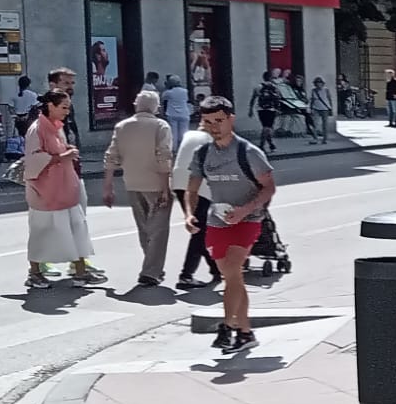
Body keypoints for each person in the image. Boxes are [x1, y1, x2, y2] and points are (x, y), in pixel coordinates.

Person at [182, 97, 275, 353]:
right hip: (216, 221)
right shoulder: (203, 154)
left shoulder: (249, 152)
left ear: (231, 119)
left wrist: (245, 209)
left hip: (248, 221)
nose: (214, 127)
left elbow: (269, 188)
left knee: (232, 271)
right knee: (233, 278)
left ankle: (227, 327)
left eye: (219, 121)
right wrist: (189, 214)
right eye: (208, 121)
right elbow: (191, 188)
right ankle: (246, 333)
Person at [22, 90, 106, 289]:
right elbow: (33, 160)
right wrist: (62, 156)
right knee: (42, 233)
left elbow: (58, 150)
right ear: (50, 105)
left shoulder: (55, 127)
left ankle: (80, 272)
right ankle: (34, 273)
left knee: (76, 229)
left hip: (65, 189)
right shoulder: (37, 129)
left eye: (68, 107)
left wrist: (66, 150)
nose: (67, 112)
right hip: (45, 193)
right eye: (64, 107)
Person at [101, 89, 176, 287]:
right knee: (158, 231)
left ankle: (151, 266)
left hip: (132, 182)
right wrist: (165, 188)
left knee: (144, 228)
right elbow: (164, 157)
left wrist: (108, 186)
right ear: (157, 107)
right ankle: (151, 271)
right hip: (155, 183)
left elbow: (111, 156)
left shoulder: (122, 126)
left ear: (136, 105)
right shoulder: (161, 126)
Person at [172, 104, 219, 289]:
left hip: (179, 182)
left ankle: (215, 268)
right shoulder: (210, 140)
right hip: (198, 185)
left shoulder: (189, 135)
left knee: (200, 228)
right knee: (199, 230)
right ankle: (186, 275)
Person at [47, 67, 80, 149]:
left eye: (72, 83)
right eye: (66, 83)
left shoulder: (69, 105)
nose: (70, 87)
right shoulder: (45, 107)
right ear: (52, 86)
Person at [252, 71, 281, 153]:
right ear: (271, 78)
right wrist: (278, 109)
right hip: (271, 109)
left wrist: (251, 109)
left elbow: (253, 98)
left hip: (261, 109)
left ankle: (271, 144)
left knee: (266, 127)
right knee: (267, 128)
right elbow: (278, 99)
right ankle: (261, 145)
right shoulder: (274, 87)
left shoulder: (258, 87)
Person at [160, 73, 190, 146]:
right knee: (184, 132)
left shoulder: (168, 92)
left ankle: (174, 149)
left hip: (172, 114)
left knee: (173, 133)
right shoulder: (185, 91)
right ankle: (183, 148)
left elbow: (162, 98)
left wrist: (167, 87)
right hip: (184, 113)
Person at [307, 77, 333, 144]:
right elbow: (312, 99)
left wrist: (331, 108)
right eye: (317, 83)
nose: (319, 84)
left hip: (325, 109)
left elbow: (329, 99)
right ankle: (315, 138)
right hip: (316, 109)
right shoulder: (313, 90)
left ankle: (325, 139)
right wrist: (310, 108)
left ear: (322, 84)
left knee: (325, 125)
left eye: (320, 83)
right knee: (314, 124)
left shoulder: (326, 90)